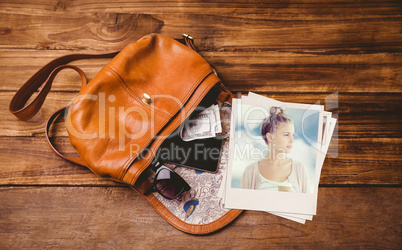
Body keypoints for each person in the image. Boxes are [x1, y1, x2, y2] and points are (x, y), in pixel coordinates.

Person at [240, 107, 310, 193]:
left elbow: (305, 205)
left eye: (293, 135)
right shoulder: (250, 172)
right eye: (286, 135)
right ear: (270, 137)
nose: (292, 140)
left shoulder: (300, 169)